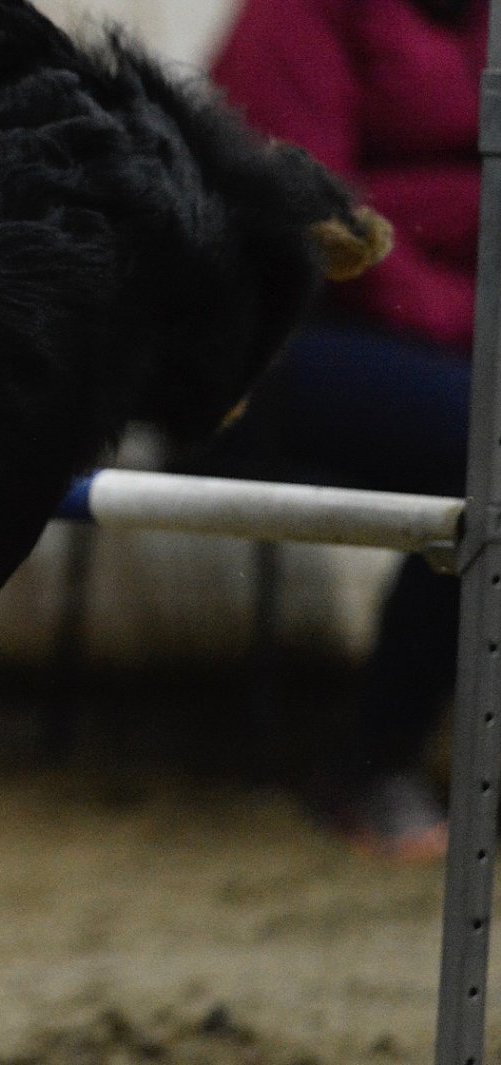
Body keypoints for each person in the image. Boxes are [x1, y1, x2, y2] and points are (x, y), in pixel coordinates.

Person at [209, 0, 486, 860]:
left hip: (439, 332)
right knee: (482, 437)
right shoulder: (294, 16)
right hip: (278, 339)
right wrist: (466, 307)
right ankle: (371, 766)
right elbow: (309, 216)